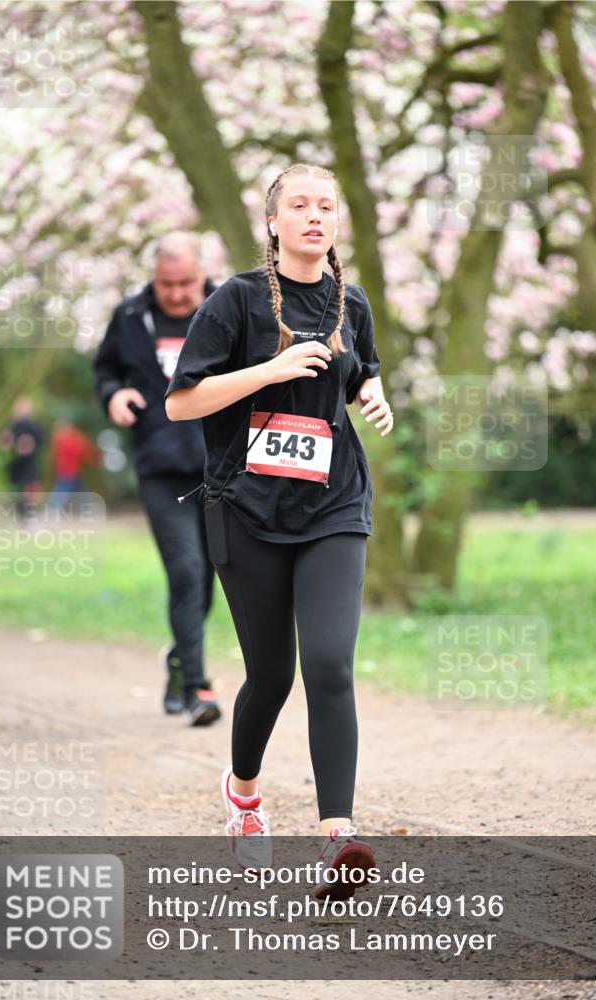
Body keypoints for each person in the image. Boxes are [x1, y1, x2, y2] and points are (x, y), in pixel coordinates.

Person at [165, 163, 393, 895]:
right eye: (298, 204)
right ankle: (242, 794)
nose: (314, 216)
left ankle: (338, 838)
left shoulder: (348, 300)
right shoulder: (232, 301)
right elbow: (182, 404)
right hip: (247, 508)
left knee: (328, 664)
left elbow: (360, 368)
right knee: (271, 675)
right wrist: (268, 370)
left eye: (326, 204)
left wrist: (371, 393)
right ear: (273, 223)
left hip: (333, 502)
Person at [93, 232, 221, 726]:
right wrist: (114, 396)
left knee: (210, 579)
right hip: (160, 468)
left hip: (221, 467)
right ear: (154, 278)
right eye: (166, 284)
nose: (175, 294)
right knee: (186, 571)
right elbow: (105, 369)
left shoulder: (227, 307)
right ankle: (197, 686)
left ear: (201, 273)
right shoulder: (129, 316)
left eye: (185, 283)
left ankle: (178, 663)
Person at [0, 396, 45, 520]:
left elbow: (41, 441)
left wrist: (29, 445)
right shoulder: (13, 426)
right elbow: (4, 443)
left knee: (31, 489)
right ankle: (21, 517)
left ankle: (31, 516)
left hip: (30, 463)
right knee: (18, 491)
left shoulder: (34, 426)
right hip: (17, 463)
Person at [48, 420, 99, 508]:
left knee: (73, 488)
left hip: (68, 469)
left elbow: (54, 455)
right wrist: (94, 460)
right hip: (68, 470)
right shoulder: (73, 438)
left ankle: (88, 507)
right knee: (64, 489)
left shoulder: (60, 438)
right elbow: (83, 451)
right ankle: (53, 508)